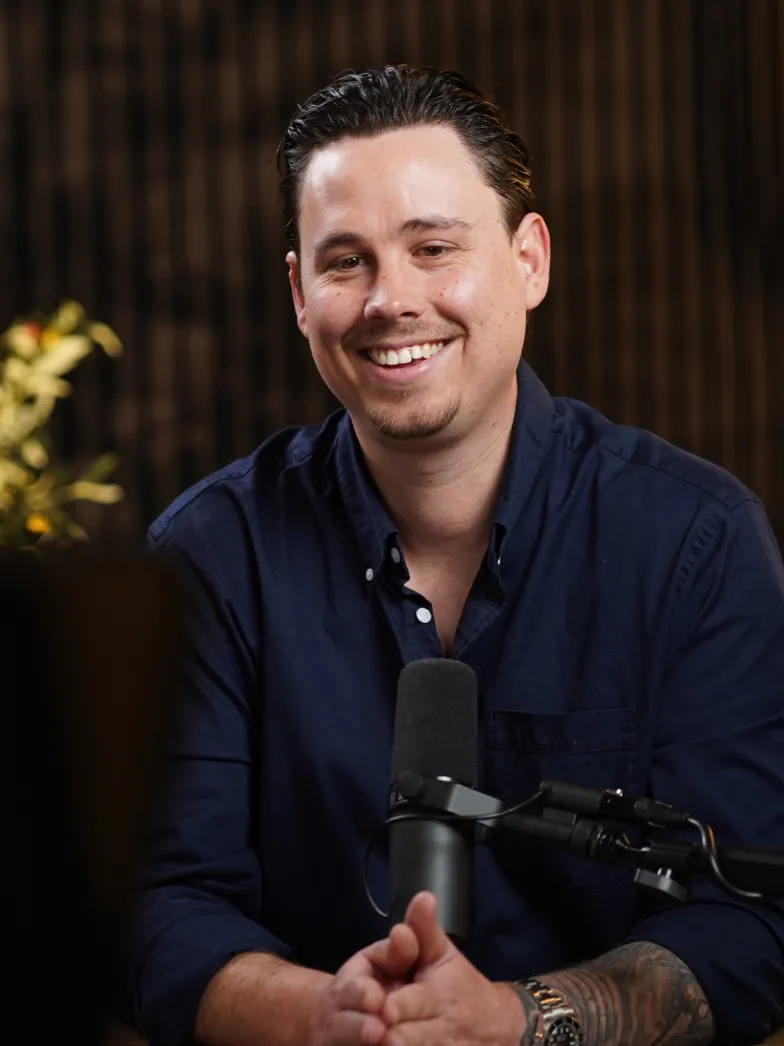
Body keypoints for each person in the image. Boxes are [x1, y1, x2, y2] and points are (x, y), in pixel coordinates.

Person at [124, 65, 784, 1046]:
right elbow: (160, 904)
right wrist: (330, 1015)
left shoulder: (694, 540)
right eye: (345, 261)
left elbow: (750, 912)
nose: (392, 299)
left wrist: (520, 1018)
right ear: (300, 291)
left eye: (433, 247)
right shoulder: (210, 553)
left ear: (529, 260)